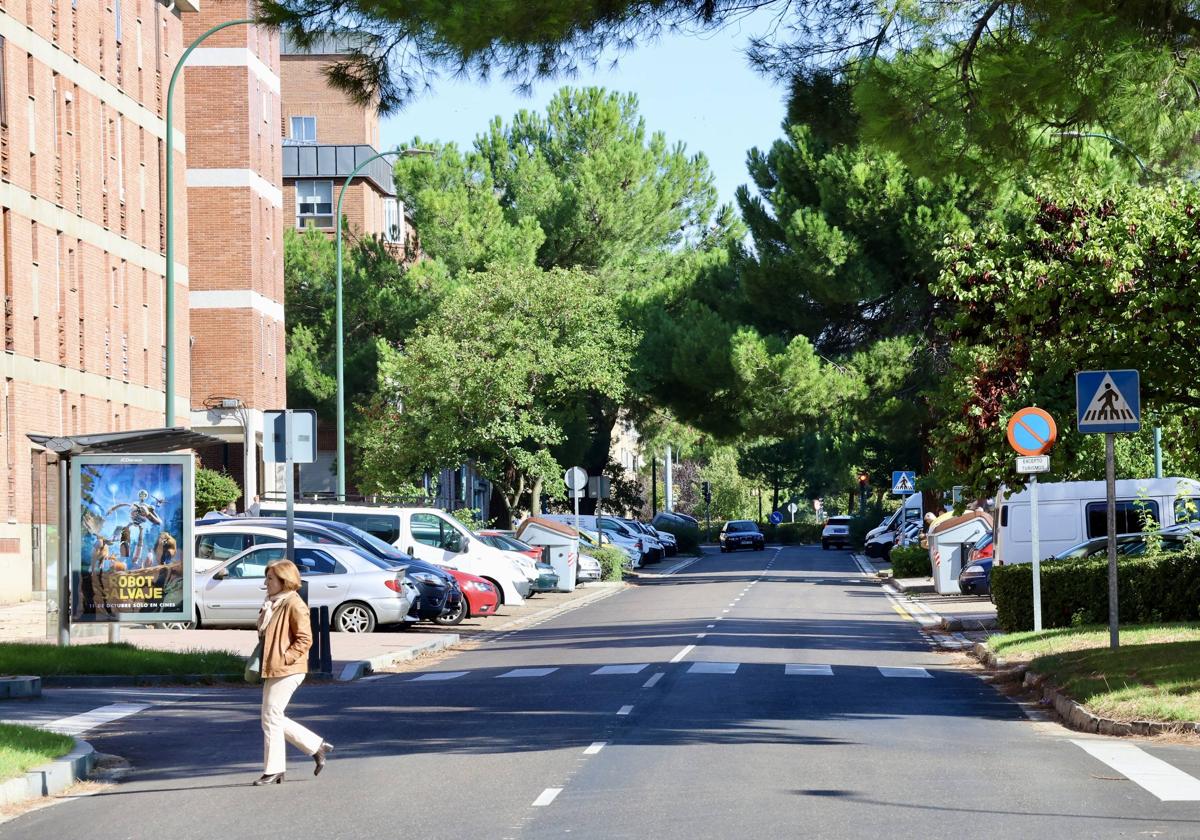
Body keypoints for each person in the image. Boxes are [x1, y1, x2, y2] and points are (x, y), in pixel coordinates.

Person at [253, 559, 333, 786]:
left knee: (271, 717)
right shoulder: (274, 602)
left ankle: (274, 770)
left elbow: (305, 639)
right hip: (275, 667)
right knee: (271, 717)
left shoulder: (294, 604)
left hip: (288, 668)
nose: (266, 583)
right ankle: (315, 746)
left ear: (284, 581)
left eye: (270, 579)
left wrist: (285, 658)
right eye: (266, 578)